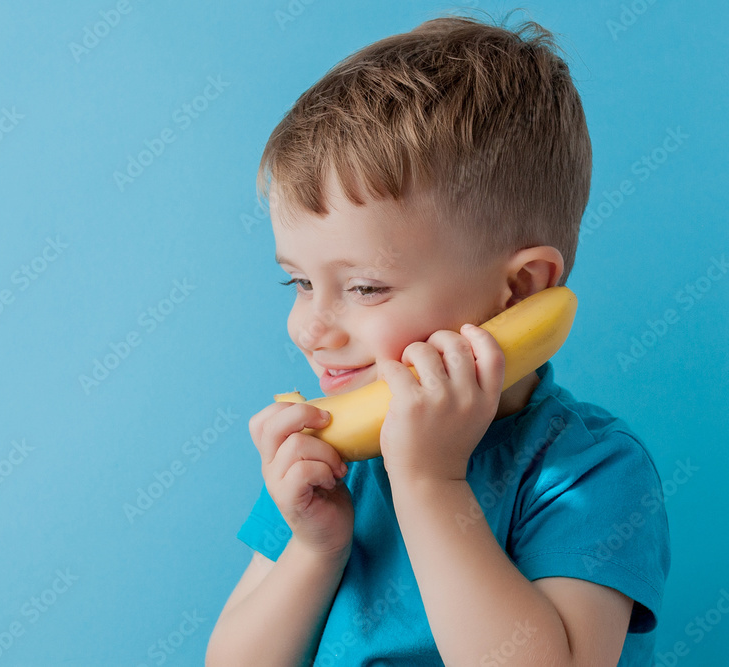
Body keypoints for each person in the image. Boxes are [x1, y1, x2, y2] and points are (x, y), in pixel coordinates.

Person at [206, 12, 671, 667]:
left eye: (365, 287)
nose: (311, 327)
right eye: (299, 283)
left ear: (517, 294)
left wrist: (430, 482)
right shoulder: (334, 461)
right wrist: (315, 549)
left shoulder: (592, 472)